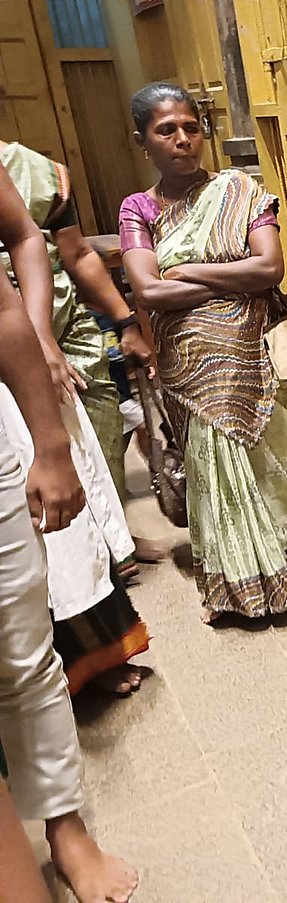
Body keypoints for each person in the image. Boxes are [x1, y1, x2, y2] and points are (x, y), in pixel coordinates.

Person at [120, 82, 287, 623]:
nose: (182, 140)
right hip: (190, 367)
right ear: (142, 141)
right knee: (216, 467)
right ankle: (243, 577)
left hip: (257, 352)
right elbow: (148, 291)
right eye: (166, 130)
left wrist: (190, 271)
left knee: (286, 454)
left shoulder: (242, 192)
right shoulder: (139, 209)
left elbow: (269, 269)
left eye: (191, 127)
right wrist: (231, 280)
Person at [0, 161, 138, 903]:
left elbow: (27, 257)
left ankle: (65, 828)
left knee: (21, 653)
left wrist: (48, 444)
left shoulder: (36, 174)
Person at [0, 140, 151, 696]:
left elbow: (62, 251)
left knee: (70, 503)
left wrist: (49, 340)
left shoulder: (42, 175)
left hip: (44, 345)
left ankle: (98, 652)